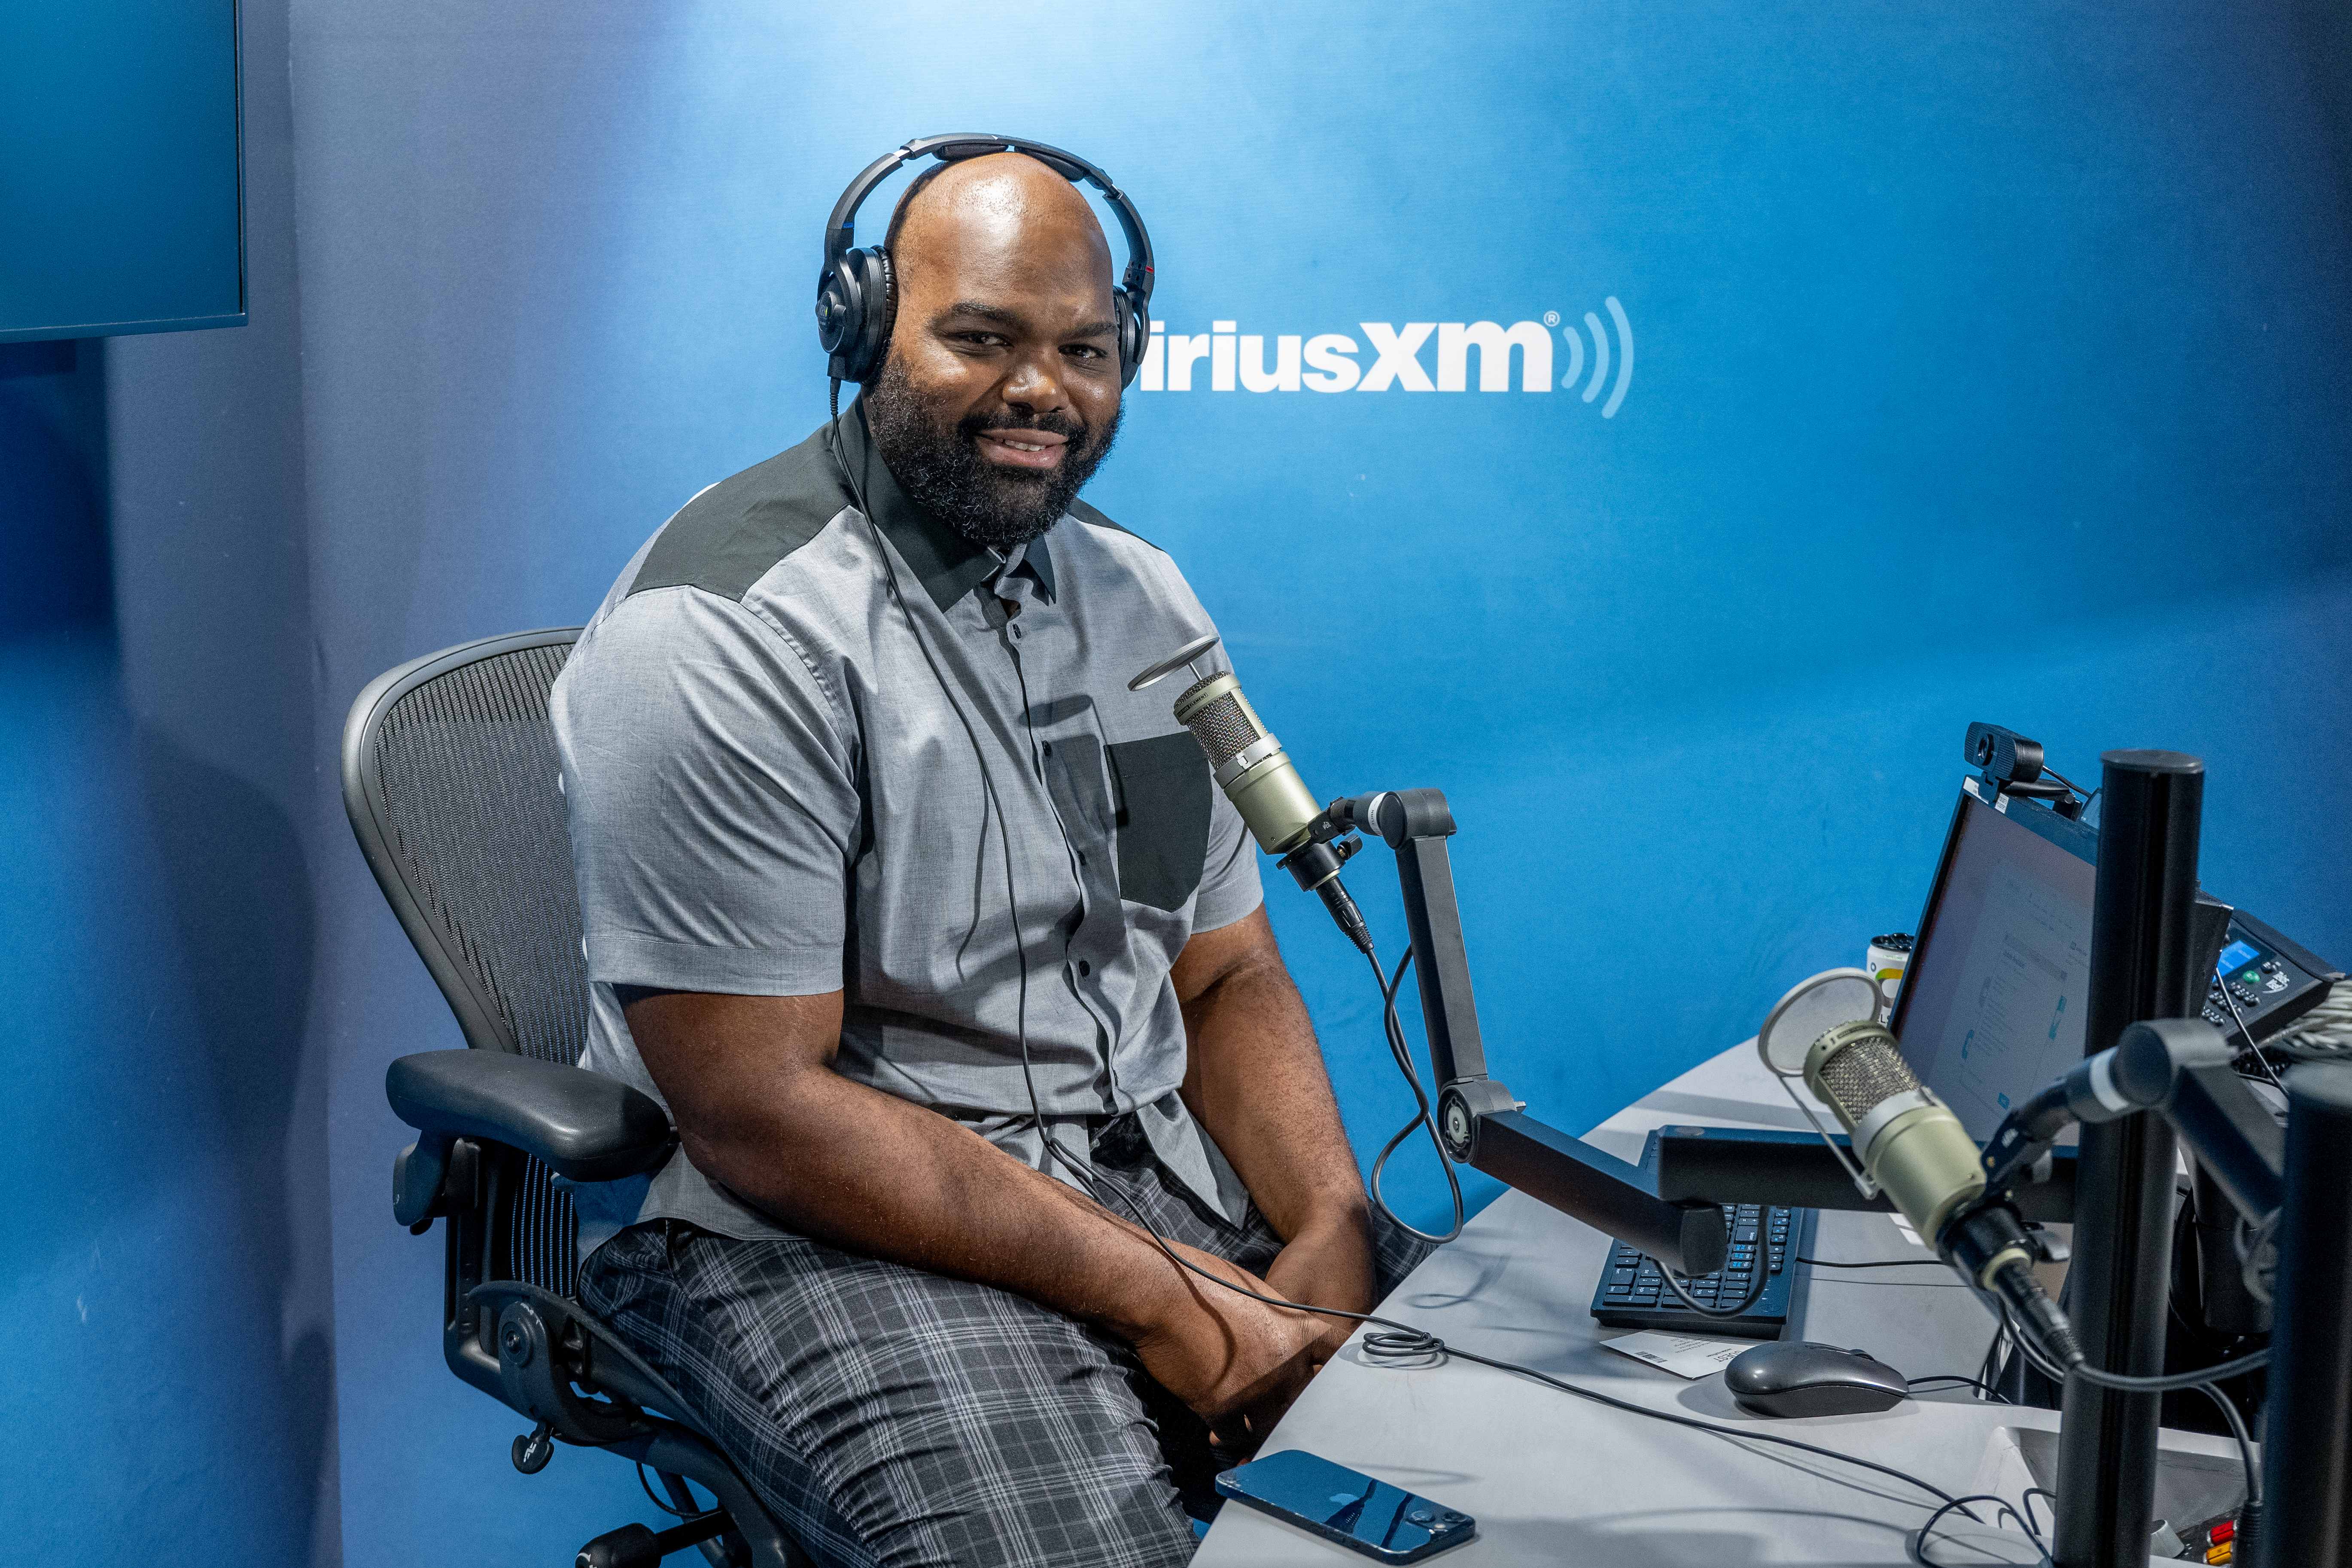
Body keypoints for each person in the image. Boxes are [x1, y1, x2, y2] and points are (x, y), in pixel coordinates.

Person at [551, 147, 1432, 1568]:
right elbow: (764, 1111)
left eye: (1085, 350)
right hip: (804, 1225)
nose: (1043, 390)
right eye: (983, 338)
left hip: (1140, 1162)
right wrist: (1178, 1302)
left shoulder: (1144, 596)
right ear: (862, 331)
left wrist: (1324, 1222)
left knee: (1513, 1436)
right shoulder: (720, 633)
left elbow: (1223, 973)